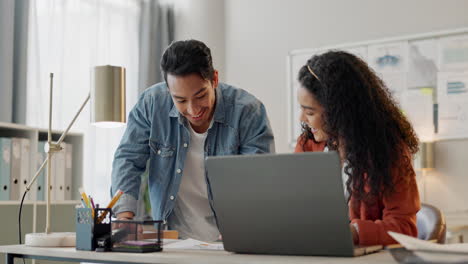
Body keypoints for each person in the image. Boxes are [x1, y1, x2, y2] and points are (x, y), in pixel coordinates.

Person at [111, 39, 275, 242]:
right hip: (173, 240)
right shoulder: (151, 104)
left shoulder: (247, 112)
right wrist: (124, 217)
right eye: (180, 100)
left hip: (231, 240)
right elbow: (128, 158)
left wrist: (242, 225)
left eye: (200, 96)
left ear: (214, 79)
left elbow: (257, 180)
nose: (193, 109)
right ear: (169, 90)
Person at [294, 50, 420, 246]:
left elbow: (404, 229)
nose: (301, 119)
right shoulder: (308, 144)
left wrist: (353, 232)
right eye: (301, 109)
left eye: (310, 112)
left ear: (340, 112)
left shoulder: (388, 152)